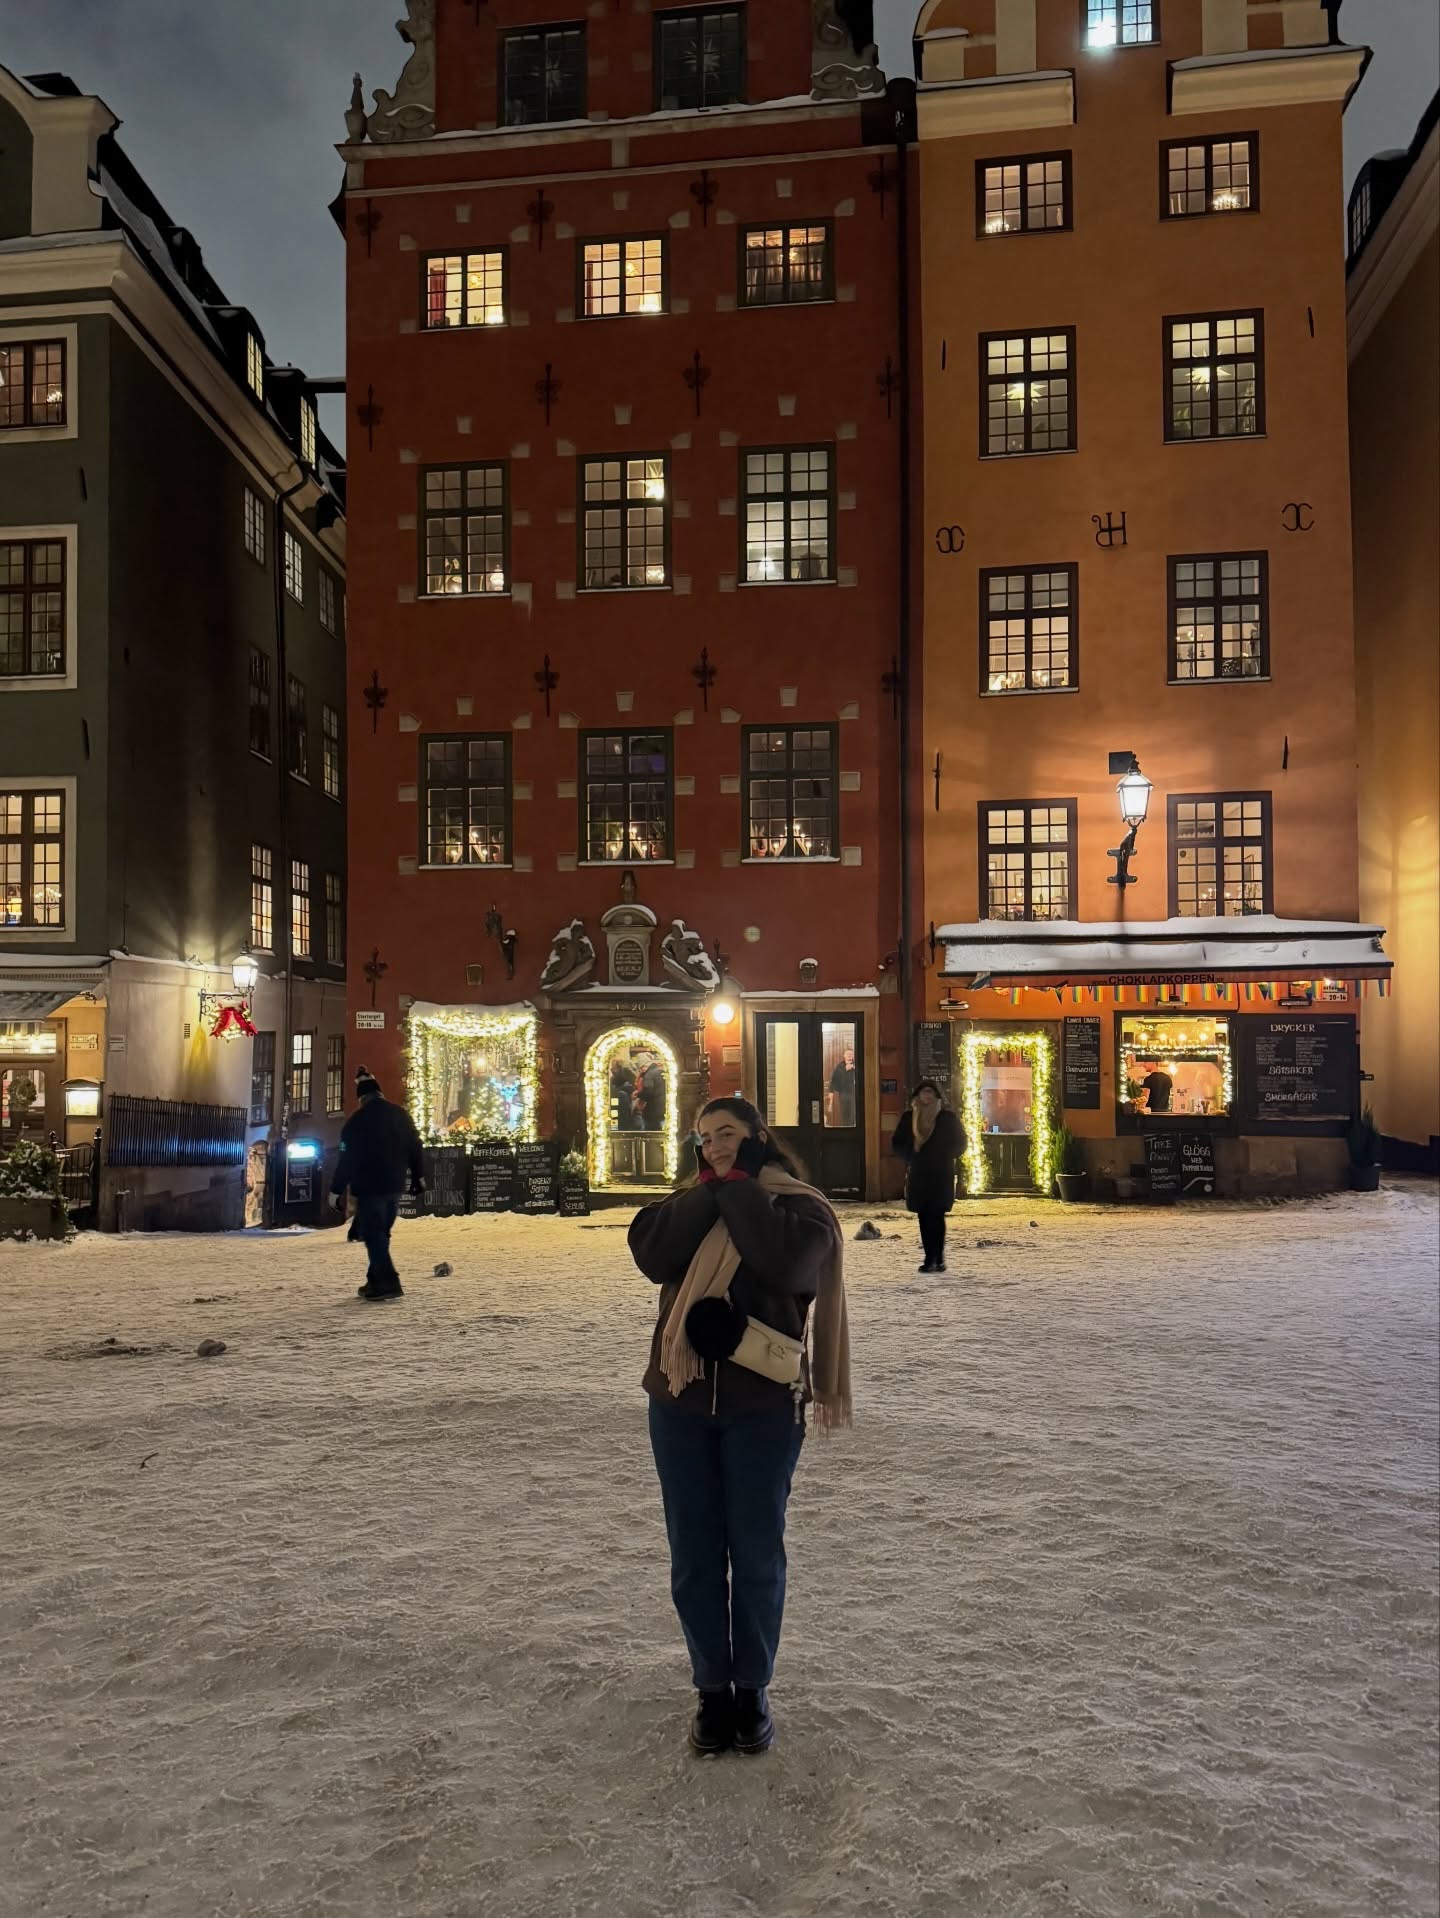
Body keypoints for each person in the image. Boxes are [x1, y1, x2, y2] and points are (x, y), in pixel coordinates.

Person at [628, 1096, 851, 1758]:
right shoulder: (685, 1202)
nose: (716, 1144)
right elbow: (653, 1252)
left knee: (755, 1553)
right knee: (694, 1556)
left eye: (729, 1134)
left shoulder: (800, 1208)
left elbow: (781, 1263)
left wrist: (742, 1188)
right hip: (680, 1403)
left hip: (762, 1409)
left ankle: (752, 1687)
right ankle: (711, 1690)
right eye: (706, 1137)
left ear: (757, 1137)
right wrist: (715, 1189)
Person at [329, 1066, 426, 1301]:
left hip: (370, 1186)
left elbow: (347, 1158)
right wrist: (418, 1176)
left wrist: (335, 1190)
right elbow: (415, 1145)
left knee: (374, 1235)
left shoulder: (357, 1122)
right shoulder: (400, 1114)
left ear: (361, 1098)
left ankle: (389, 1283)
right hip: (394, 1184)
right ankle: (374, 1281)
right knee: (381, 1233)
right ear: (380, 1093)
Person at [891, 1080, 965, 1274]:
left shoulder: (946, 1118)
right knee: (924, 1217)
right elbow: (897, 1143)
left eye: (931, 1092)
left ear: (937, 1096)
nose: (927, 1096)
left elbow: (961, 1142)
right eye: (924, 1092)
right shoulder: (909, 1118)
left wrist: (947, 1154)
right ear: (917, 1095)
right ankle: (928, 1258)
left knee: (937, 1216)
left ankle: (938, 1258)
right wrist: (911, 1153)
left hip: (941, 1173)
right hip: (919, 1173)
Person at [827, 1045, 857, 1128]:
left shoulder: (857, 1065)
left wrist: (854, 1069)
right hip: (843, 1094)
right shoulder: (840, 1066)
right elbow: (834, 1081)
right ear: (844, 1055)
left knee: (853, 1115)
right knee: (844, 1115)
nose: (849, 1056)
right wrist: (845, 1070)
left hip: (854, 1094)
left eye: (851, 1054)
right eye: (847, 1054)